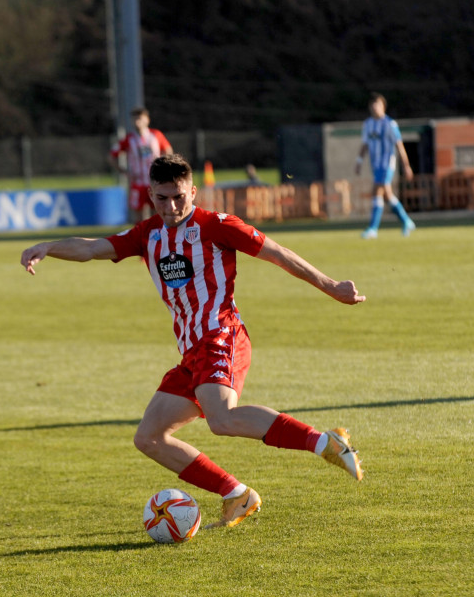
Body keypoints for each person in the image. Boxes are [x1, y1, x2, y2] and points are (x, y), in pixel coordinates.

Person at [20, 154, 365, 530]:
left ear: (193, 192)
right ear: (150, 194)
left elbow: (277, 253)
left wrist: (331, 286)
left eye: (179, 197)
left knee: (222, 418)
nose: (171, 206)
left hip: (221, 335)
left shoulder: (216, 225)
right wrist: (48, 246)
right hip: (191, 352)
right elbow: (90, 248)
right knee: (149, 438)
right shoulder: (147, 234)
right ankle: (236, 494)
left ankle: (325, 442)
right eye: (162, 198)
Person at [355, 93, 416, 239]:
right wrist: (359, 161)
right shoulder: (368, 124)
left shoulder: (390, 124)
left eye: (377, 104)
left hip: (386, 163)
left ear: (383, 106)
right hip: (375, 164)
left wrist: (406, 166)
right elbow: (365, 145)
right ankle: (407, 221)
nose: (374, 107)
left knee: (377, 191)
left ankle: (373, 228)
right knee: (388, 195)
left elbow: (399, 145)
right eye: (372, 104)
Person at [110, 107, 173, 223]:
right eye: (134, 118)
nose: (137, 121)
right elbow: (112, 156)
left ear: (147, 120)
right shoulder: (129, 139)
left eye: (139, 118)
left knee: (158, 212)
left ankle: (159, 238)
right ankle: (142, 239)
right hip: (137, 183)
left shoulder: (156, 135)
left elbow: (168, 151)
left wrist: (164, 169)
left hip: (155, 182)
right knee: (138, 216)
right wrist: (124, 172)